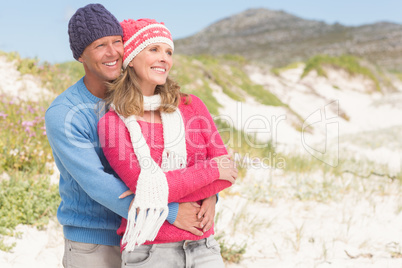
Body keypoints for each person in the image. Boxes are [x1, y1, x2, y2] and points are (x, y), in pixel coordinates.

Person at [45, 4, 213, 268]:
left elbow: (192, 157)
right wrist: (169, 212)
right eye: (100, 45)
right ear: (81, 56)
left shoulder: (145, 99)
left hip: (151, 239)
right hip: (96, 243)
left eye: (117, 41)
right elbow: (97, 182)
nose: (113, 52)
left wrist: (211, 197)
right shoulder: (65, 113)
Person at [98, 18, 238, 267]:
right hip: (150, 251)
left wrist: (210, 195)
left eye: (169, 52)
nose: (165, 58)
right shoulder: (112, 124)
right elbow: (145, 188)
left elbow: (228, 172)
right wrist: (212, 171)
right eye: (154, 49)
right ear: (131, 57)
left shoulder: (191, 106)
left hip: (204, 246)